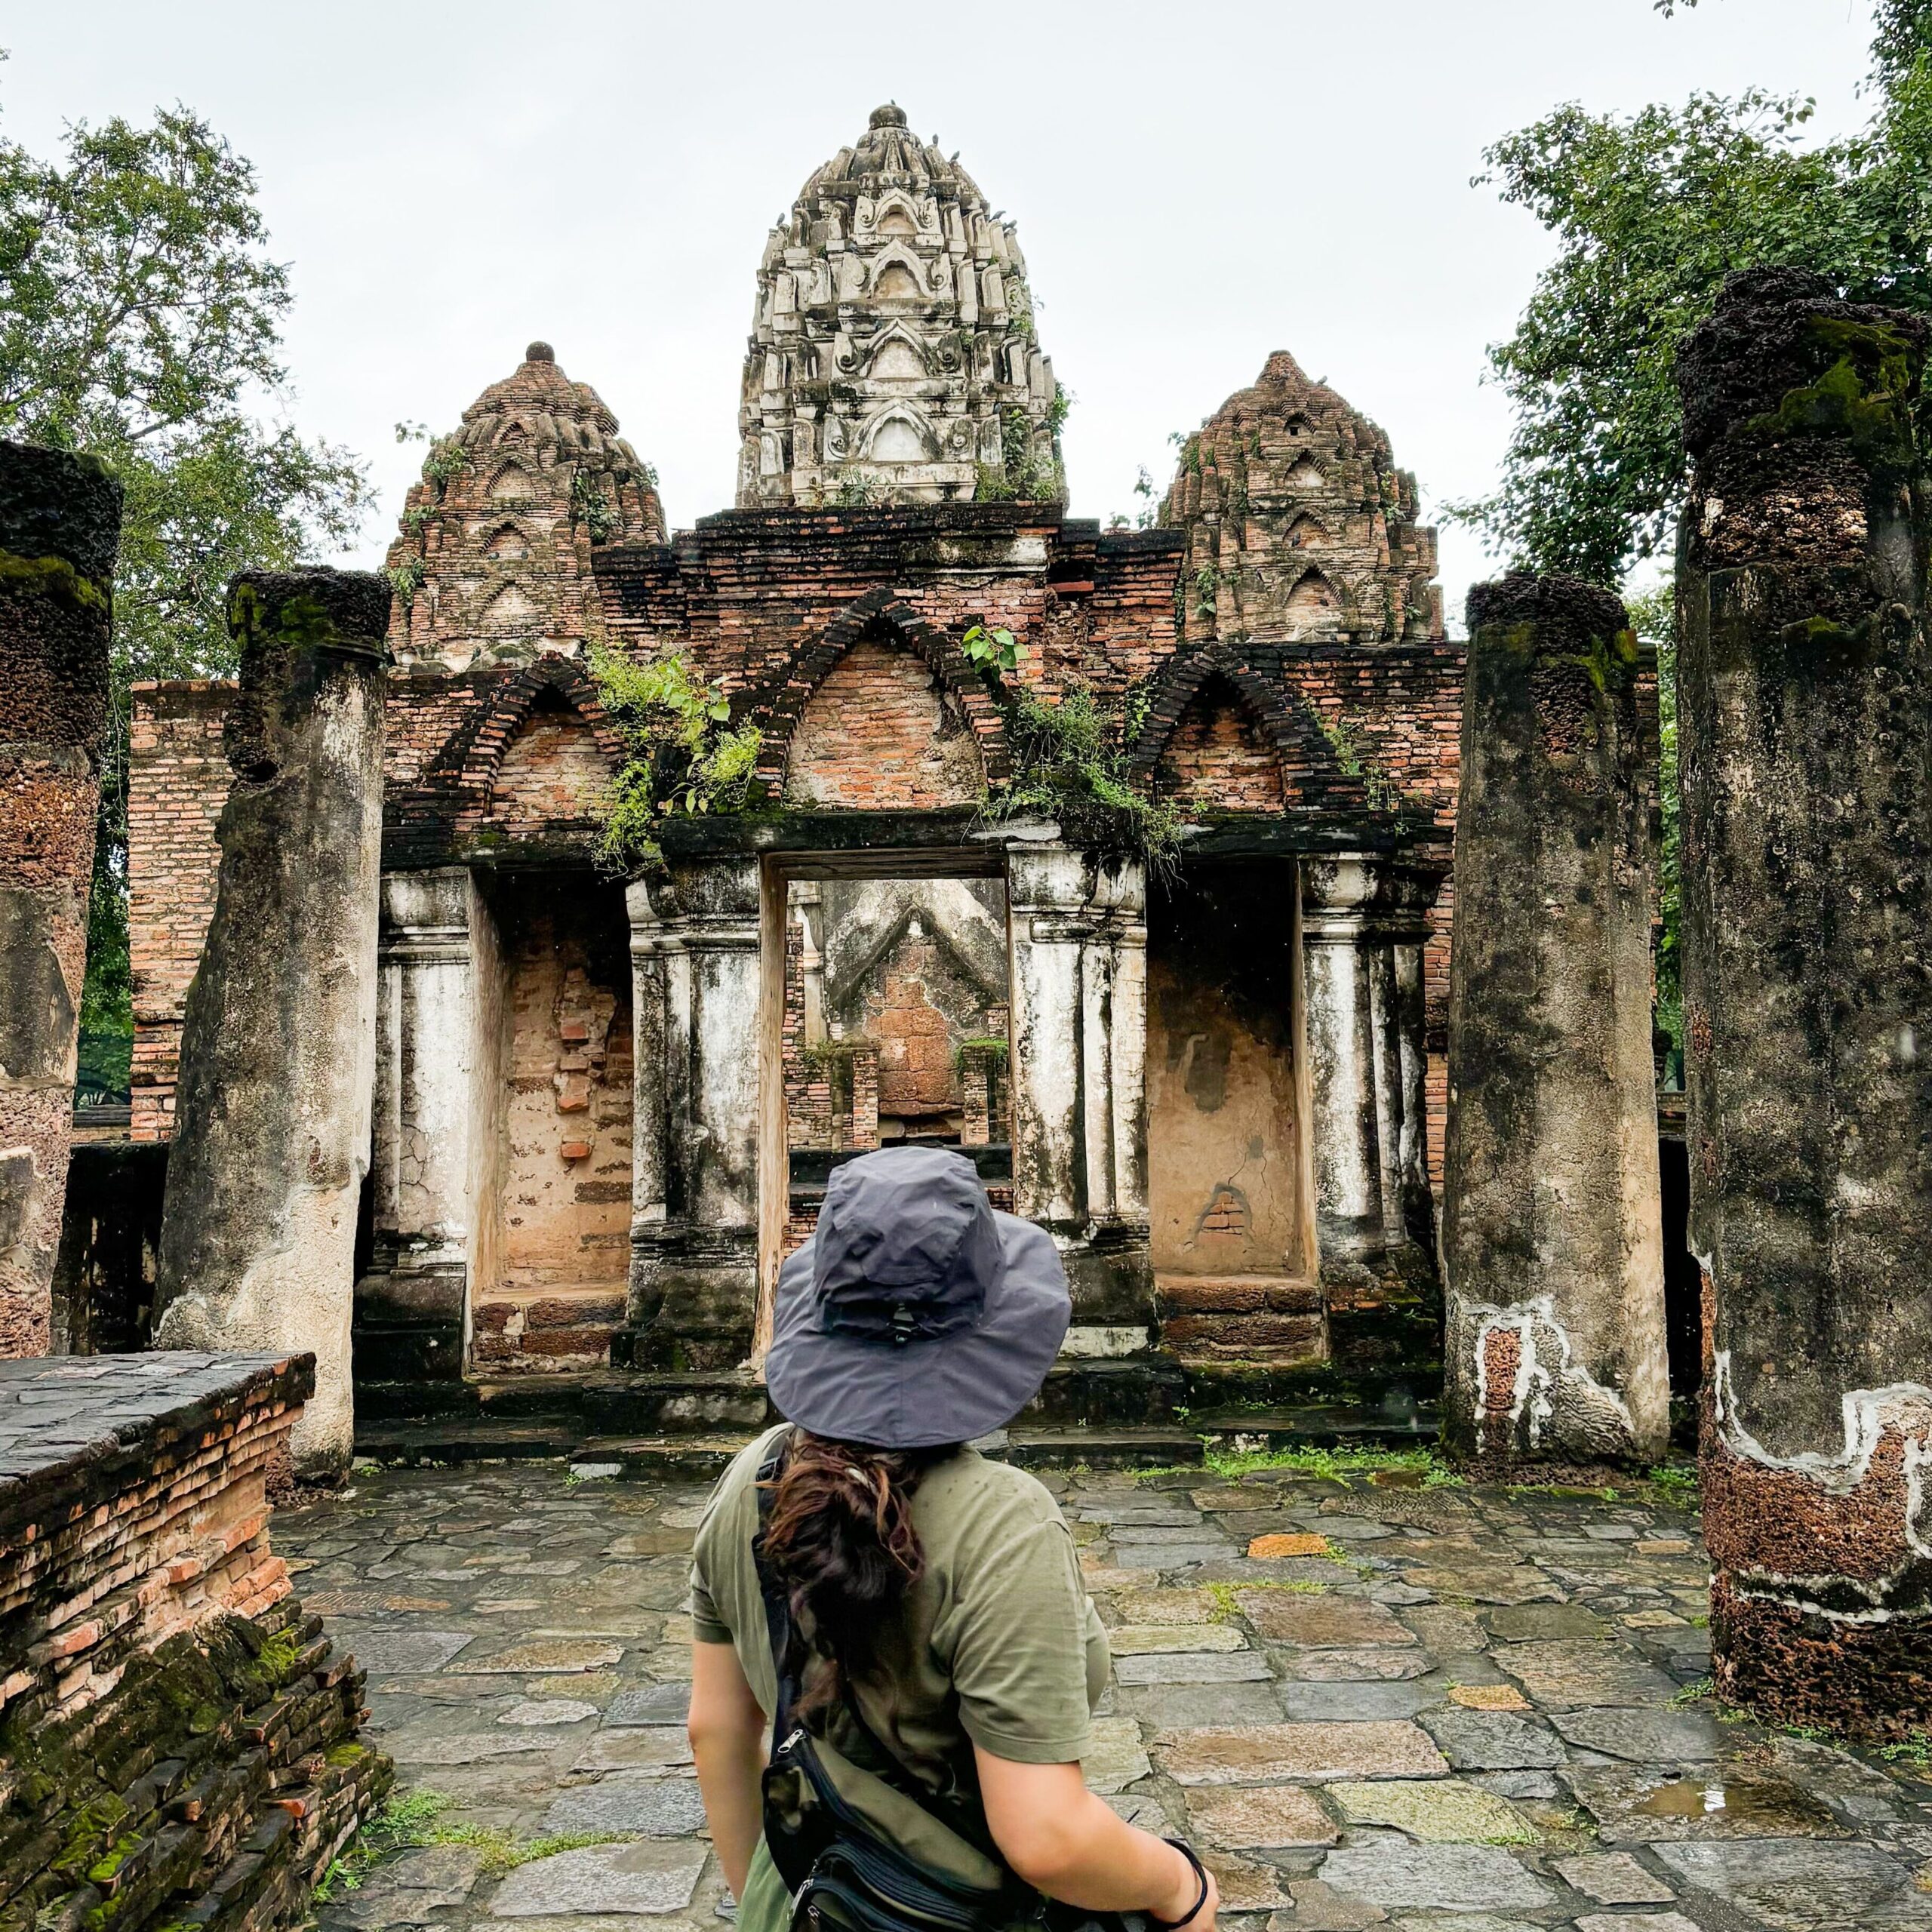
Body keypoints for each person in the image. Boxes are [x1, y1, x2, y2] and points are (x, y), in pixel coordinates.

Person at [688, 1144, 1218, 1932]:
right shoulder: (1004, 1522)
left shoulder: (752, 1480)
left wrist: (768, 1900)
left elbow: (718, 1728)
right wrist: (1181, 1884)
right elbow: (1046, 1834)